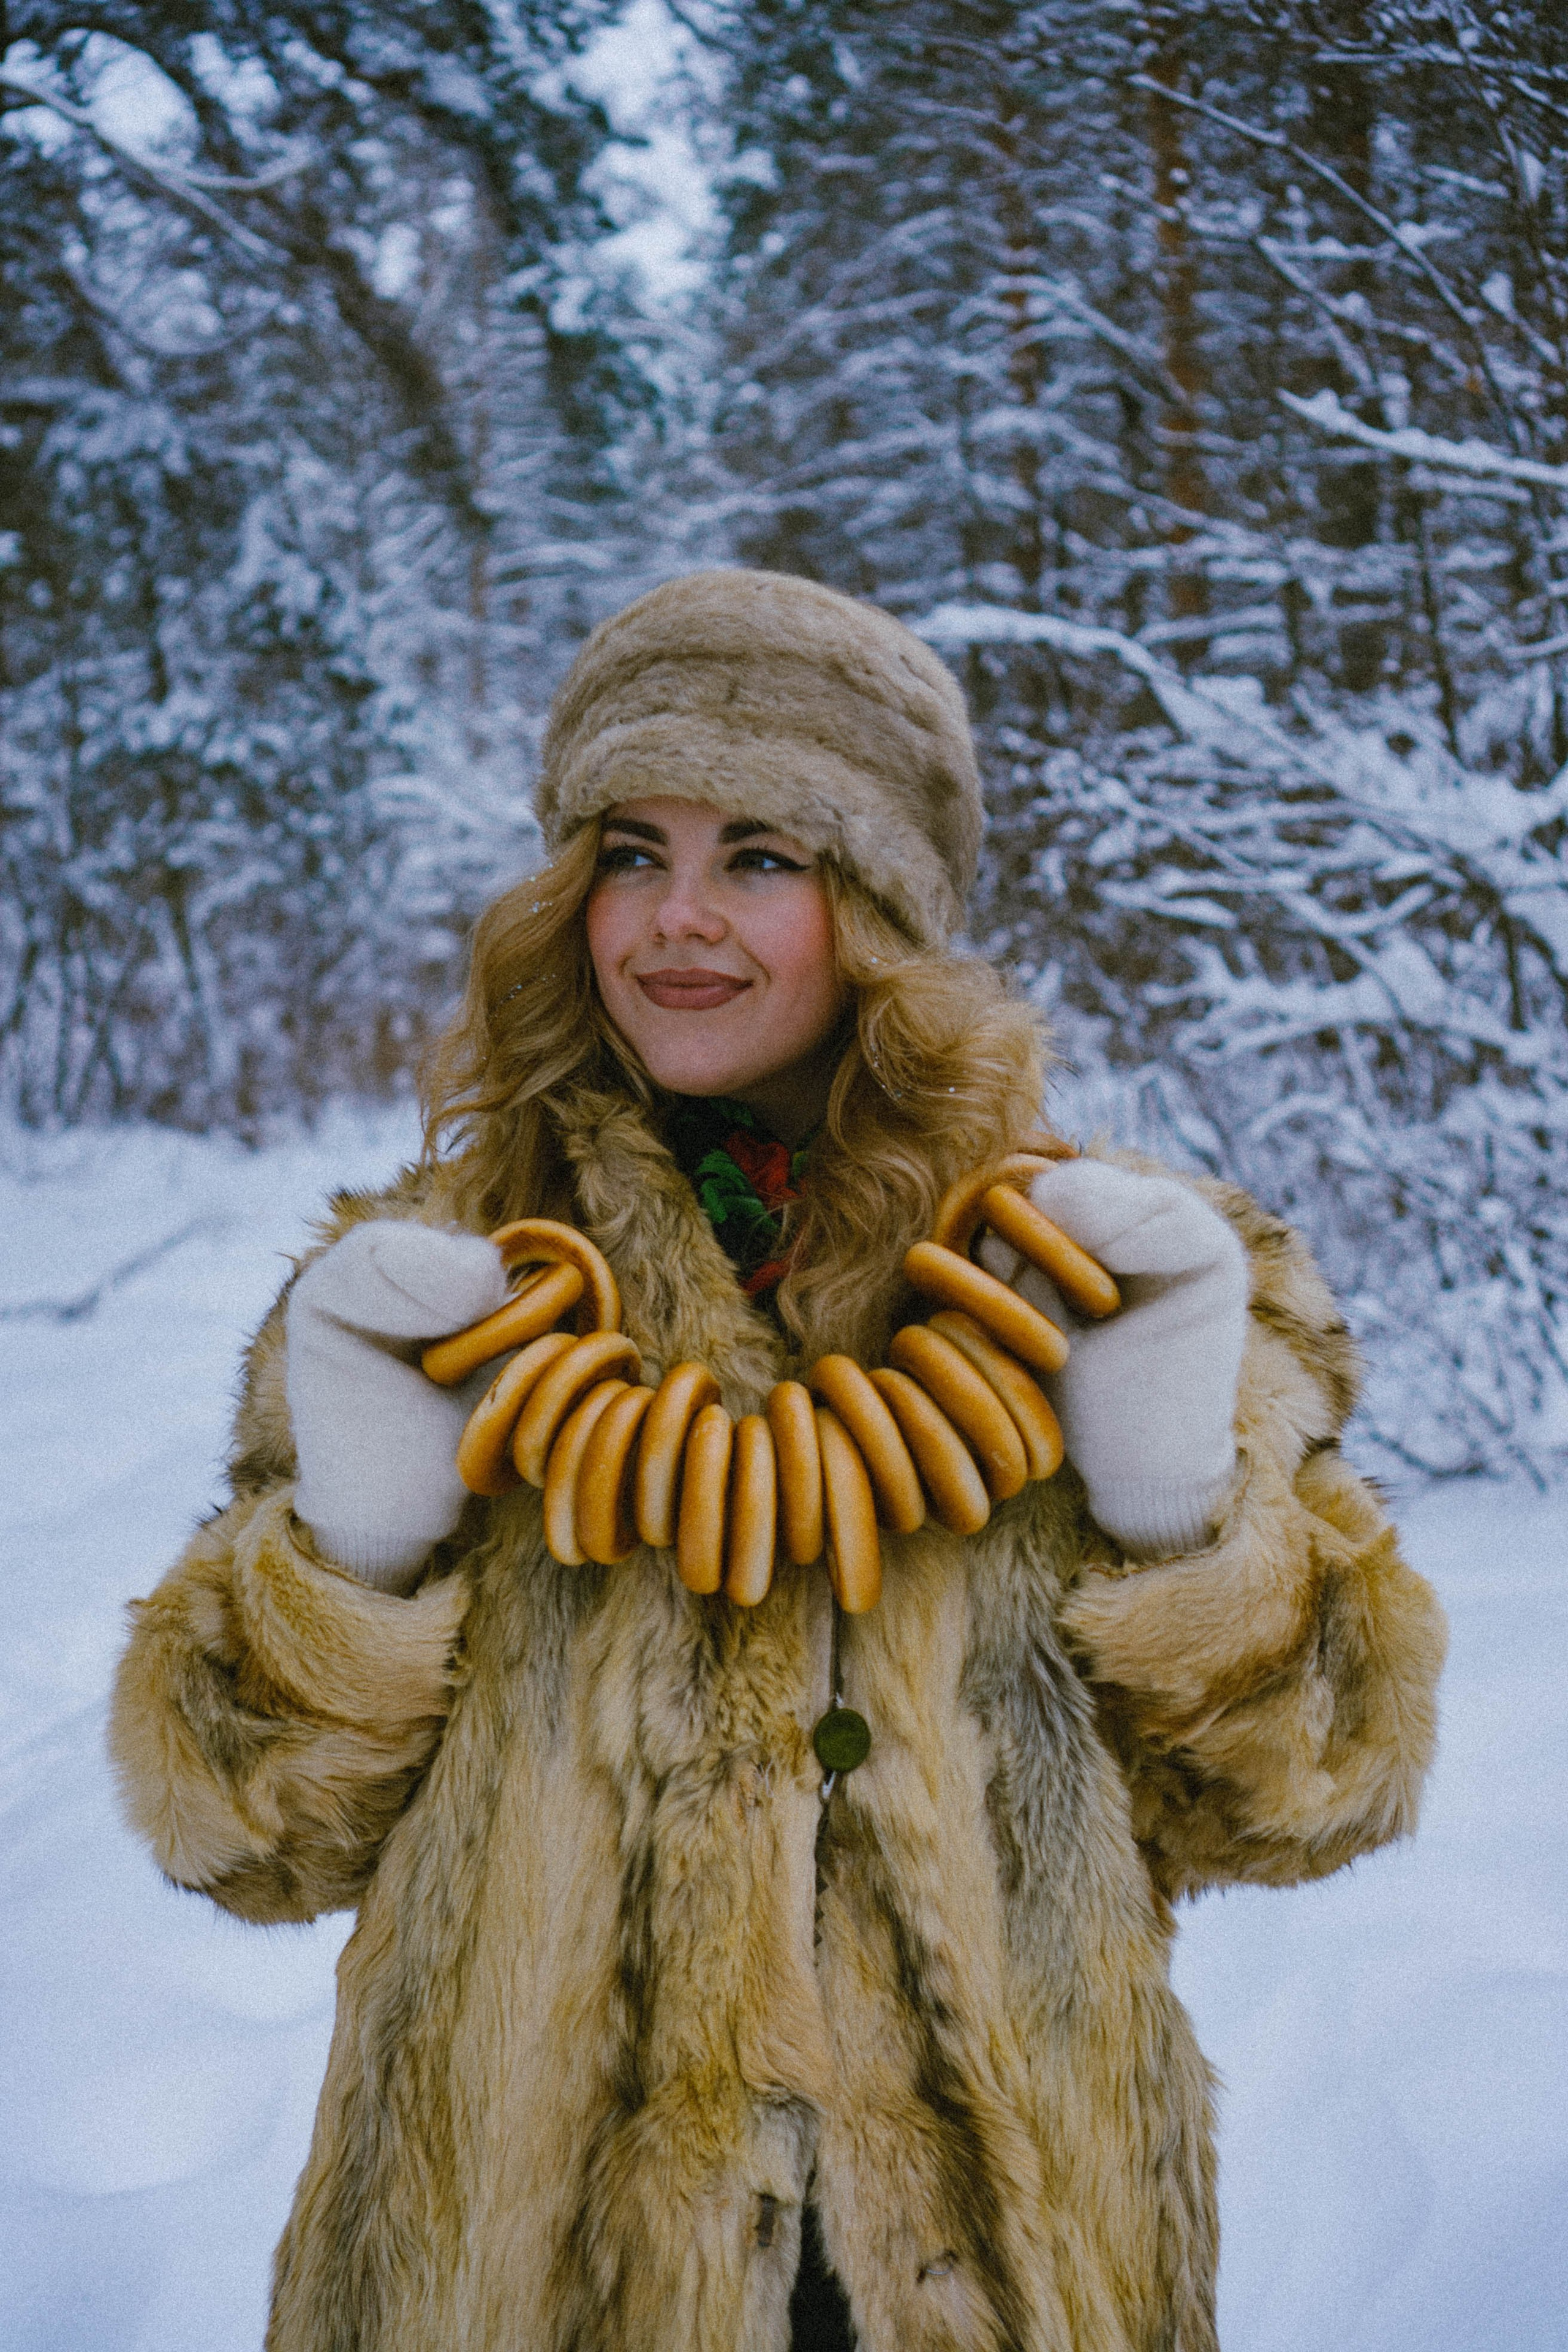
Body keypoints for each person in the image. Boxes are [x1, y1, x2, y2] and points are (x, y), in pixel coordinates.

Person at [110, 570, 1447, 2352]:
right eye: (628, 852)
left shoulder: (1096, 1276)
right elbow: (245, 1839)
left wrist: (1173, 1503)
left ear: (878, 899)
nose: (676, 921)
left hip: (1004, 2260)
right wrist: (354, 1544)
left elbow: (1313, 1793)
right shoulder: (443, 1289)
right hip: (514, 2277)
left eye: (758, 857)